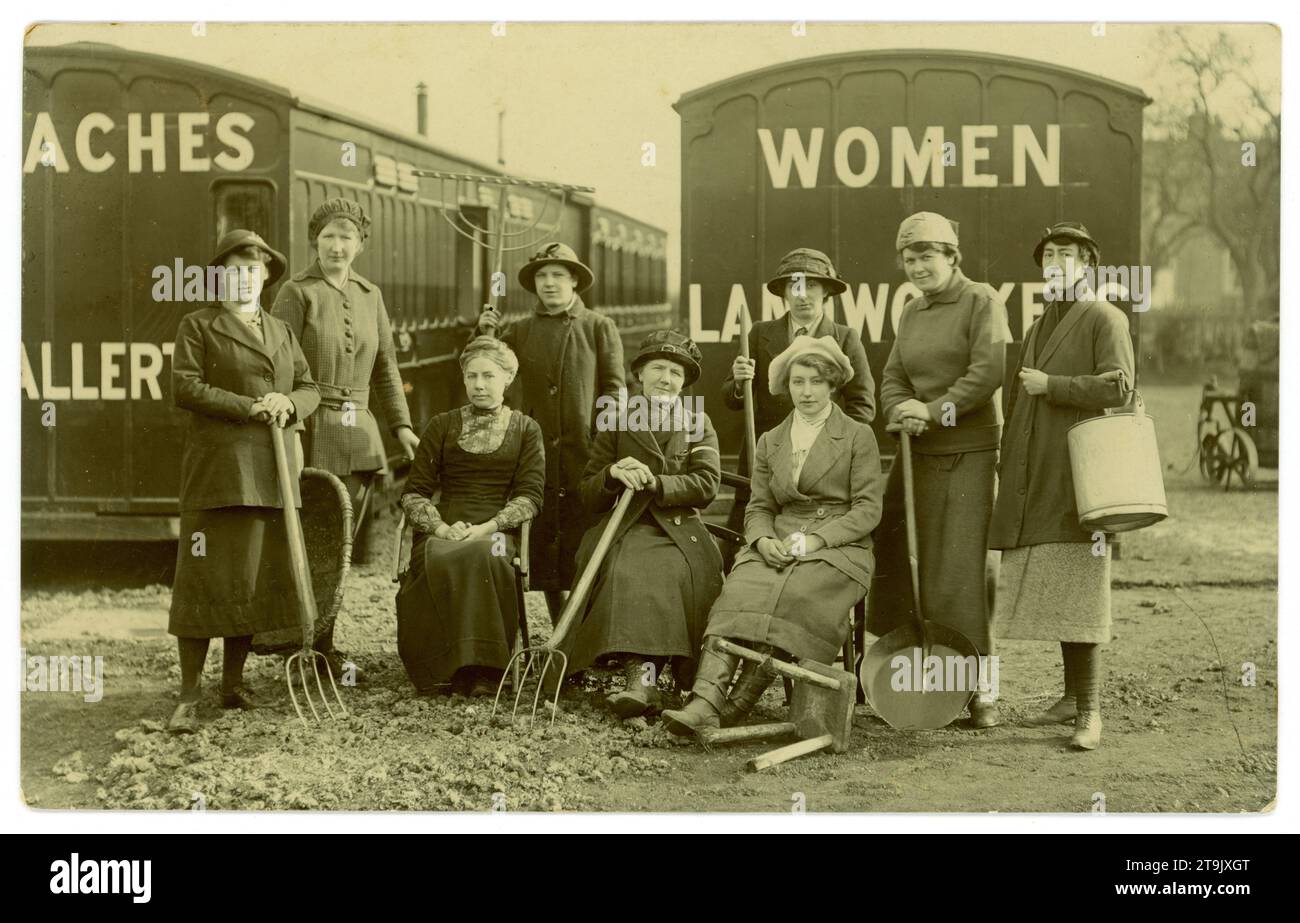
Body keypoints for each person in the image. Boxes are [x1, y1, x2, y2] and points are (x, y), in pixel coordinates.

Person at [662, 336, 885, 736]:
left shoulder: (856, 436)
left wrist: (816, 541)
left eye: (817, 381)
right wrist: (762, 540)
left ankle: (737, 705)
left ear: (833, 384)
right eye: (798, 381)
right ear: (786, 385)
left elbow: (867, 509)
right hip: (779, 537)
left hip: (839, 545)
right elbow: (759, 506)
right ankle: (705, 702)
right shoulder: (771, 440)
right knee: (740, 589)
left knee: (796, 595)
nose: (807, 391)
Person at [989, 221, 1135, 751]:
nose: (1056, 263)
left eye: (1066, 254)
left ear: (1089, 265)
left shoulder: (1104, 316)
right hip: (1037, 478)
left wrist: (1053, 386)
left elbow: (1119, 387)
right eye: (1048, 255)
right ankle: (1073, 698)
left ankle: (1090, 713)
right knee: (1058, 586)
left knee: (1081, 589)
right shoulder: (1037, 326)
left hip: (1081, 480)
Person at [167, 230, 321, 733]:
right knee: (203, 581)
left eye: (252, 272)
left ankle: (232, 686)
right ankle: (189, 695)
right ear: (219, 277)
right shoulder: (199, 325)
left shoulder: (280, 330)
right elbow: (186, 387)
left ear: (266, 277)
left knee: (247, 581)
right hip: (218, 474)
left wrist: (289, 403)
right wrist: (252, 406)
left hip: (270, 474)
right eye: (232, 271)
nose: (242, 279)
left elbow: (309, 386)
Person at [867, 212, 1011, 728]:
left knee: (961, 575)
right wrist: (903, 410)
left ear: (952, 256)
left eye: (928, 255)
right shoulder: (910, 311)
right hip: (915, 453)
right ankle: (914, 678)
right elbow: (892, 376)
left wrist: (932, 411)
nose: (918, 266)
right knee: (900, 563)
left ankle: (981, 692)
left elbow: (988, 373)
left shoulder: (982, 301)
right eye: (909, 258)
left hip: (967, 455)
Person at [273, 197, 419, 681]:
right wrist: (290, 429)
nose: (338, 245)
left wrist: (401, 426)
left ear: (361, 243)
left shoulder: (370, 294)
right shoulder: (296, 292)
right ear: (316, 240)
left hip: (360, 434)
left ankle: (324, 645)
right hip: (312, 428)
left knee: (342, 545)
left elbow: (386, 367)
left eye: (347, 236)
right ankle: (302, 648)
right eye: (329, 236)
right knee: (311, 539)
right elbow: (278, 368)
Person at [555, 331, 724, 718]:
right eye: (658, 369)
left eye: (676, 373)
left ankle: (647, 683)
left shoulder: (697, 421)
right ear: (639, 376)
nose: (667, 379)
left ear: (685, 383)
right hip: (625, 525)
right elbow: (587, 490)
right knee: (626, 568)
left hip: (680, 532)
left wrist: (658, 483)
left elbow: (707, 483)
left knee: (670, 571)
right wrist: (613, 473)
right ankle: (640, 683)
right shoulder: (616, 419)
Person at [476, 242, 625, 624]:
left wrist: (603, 442)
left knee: (584, 538)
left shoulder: (598, 327)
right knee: (543, 542)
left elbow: (614, 388)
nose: (550, 283)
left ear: (574, 280)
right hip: (536, 454)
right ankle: (560, 623)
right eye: (542, 276)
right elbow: (486, 373)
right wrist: (486, 335)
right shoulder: (520, 331)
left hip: (585, 456)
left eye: (558, 274)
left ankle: (585, 628)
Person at [395, 337, 545, 697]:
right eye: (472, 376)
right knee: (437, 559)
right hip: (444, 526)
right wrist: (441, 527)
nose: (479, 384)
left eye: (489, 376)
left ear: (507, 379)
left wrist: (488, 527)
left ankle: (484, 669)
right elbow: (414, 492)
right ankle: (441, 667)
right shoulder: (442, 425)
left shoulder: (526, 429)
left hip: (496, 528)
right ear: (463, 379)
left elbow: (530, 496)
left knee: (485, 554)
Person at [721, 248, 876, 545]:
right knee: (749, 540)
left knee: (810, 545)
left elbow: (863, 406)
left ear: (827, 291)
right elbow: (731, 398)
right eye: (795, 286)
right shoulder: (759, 333)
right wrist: (740, 382)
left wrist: (830, 449)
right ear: (784, 293)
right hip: (763, 460)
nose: (803, 295)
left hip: (820, 468)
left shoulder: (845, 338)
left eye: (812, 286)